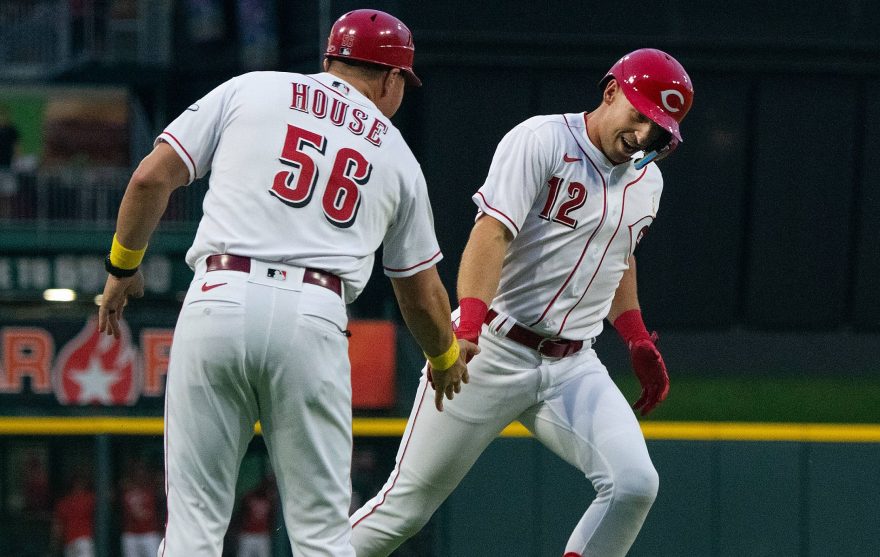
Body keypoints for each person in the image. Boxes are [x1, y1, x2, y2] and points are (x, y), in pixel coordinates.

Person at [97, 8, 475, 557]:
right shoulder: (396, 154)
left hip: (218, 297)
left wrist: (121, 269)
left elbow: (150, 177)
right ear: (392, 79)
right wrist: (443, 359)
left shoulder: (252, 89)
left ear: (328, 60)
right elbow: (419, 293)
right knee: (322, 535)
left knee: (193, 530)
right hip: (314, 314)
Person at [350, 48, 692, 557]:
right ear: (611, 91)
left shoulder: (649, 179)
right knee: (404, 509)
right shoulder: (542, 140)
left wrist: (637, 336)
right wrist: (465, 327)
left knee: (634, 484)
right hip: (491, 347)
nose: (645, 135)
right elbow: (491, 236)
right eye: (640, 116)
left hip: (573, 364)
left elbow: (618, 253)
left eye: (659, 128)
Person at [119, 458, 162, 557]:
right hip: (131, 534)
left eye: (142, 471)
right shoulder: (126, 489)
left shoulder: (152, 488)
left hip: (150, 533)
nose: (140, 474)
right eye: (137, 471)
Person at [51, 472, 96, 557]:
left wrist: (54, 546)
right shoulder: (89, 499)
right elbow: (58, 527)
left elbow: (57, 528)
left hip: (69, 543)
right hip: (83, 541)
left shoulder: (63, 503)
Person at [235, 476, 277, 557]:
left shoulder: (270, 500)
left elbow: (272, 518)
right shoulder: (249, 497)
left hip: (263, 535)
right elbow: (240, 515)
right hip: (247, 534)